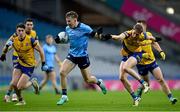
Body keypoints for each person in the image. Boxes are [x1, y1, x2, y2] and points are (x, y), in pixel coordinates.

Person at [54, 11, 107, 105]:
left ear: (75, 20)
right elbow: (68, 40)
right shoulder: (67, 28)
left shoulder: (84, 28)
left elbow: (95, 35)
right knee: (62, 72)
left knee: (88, 80)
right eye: (67, 21)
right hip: (72, 55)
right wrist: (59, 40)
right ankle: (64, 96)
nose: (67, 23)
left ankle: (99, 82)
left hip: (82, 56)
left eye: (69, 21)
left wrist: (99, 34)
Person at [102, 23, 160, 106]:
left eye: (136, 34)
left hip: (137, 54)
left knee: (126, 67)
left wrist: (156, 39)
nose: (134, 35)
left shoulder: (142, 36)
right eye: (134, 32)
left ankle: (144, 83)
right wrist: (110, 36)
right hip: (126, 56)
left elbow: (150, 38)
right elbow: (119, 37)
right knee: (121, 78)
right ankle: (135, 97)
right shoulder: (127, 33)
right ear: (133, 29)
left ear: (140, 33)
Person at [0, 23, 48, 105]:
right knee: (14, 84)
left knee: (20, 87)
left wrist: (43, 63)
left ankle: (31, 82)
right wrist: (3, 54)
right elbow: (6, 47)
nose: (21, 32)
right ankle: (21, 101)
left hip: (29, 65)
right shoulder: (14, 40)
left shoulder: (30, 40)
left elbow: (41, 50)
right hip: (19, 63)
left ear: (24, 31)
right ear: (16, 31)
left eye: (22, 30)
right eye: (19, 30)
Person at [135, 20, 177, 104]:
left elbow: (154, 43)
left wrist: (161, 51)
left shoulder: (149, 35)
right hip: (141, 64)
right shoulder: (134, 37)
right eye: (139, 26)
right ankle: (138, 94)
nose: (140, 27)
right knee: (146, 83)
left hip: (151, 62)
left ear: (145, 27)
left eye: (142, 26)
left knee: (161, 79)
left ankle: (171, 98)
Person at [2, 18, 38, 102]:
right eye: (28, 25)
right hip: (16, 56)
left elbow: (35, 47)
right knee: (15, 80)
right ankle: (8, 95)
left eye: (31, 25)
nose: (29, 26)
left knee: (19, 82)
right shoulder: (17, 33)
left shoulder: (34, 33)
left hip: (27, 59)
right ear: (25, 26)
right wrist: (4, 53)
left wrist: (33, 59)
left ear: (33, 26)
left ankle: (13, 95)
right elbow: (9, 43)